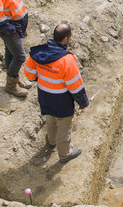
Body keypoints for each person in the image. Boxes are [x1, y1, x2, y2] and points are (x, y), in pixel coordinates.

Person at [24, 24, 89, 164]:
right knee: (64, 125)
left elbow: (29, 74)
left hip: (44, 95)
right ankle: (65, 154)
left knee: (50, 118)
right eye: (70, 37)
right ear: (65, 39)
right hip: (61, 99)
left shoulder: (38, 53)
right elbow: (75, 86)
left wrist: (44, 77)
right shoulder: (67, 60)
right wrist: (83, 103)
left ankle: (51, 142)